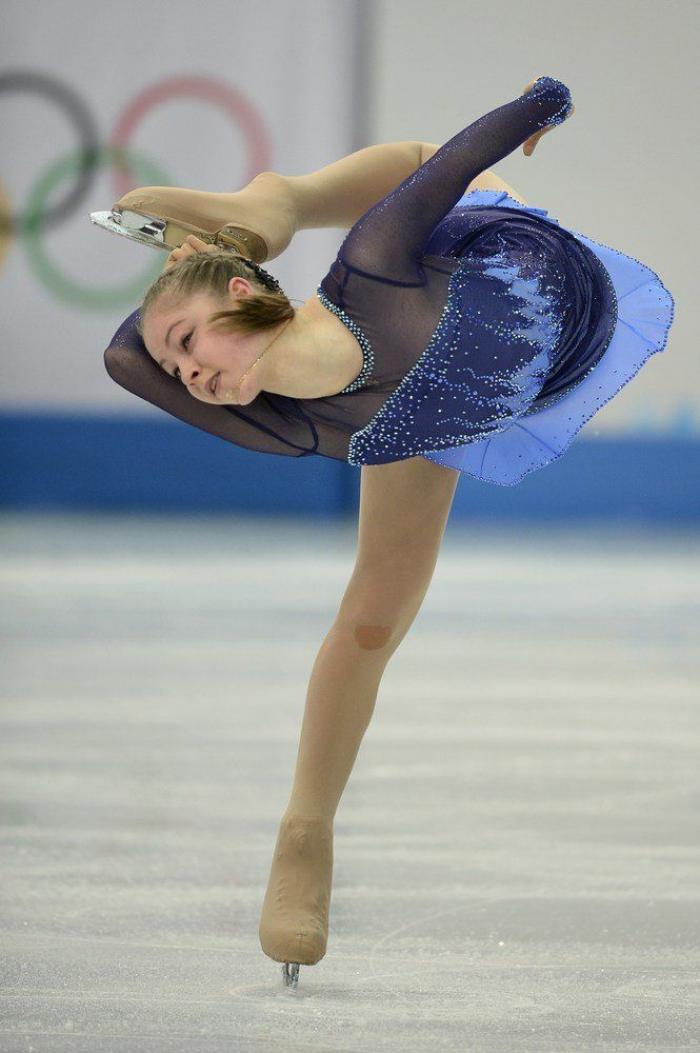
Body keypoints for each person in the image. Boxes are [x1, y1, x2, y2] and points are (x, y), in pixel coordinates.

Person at [100, 75, 675, 987]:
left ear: (245, 290)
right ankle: (305, 833)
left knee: (418, 182)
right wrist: (184, 279)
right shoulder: (287, 416)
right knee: (370, 621)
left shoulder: (371, 267)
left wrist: (545, 105)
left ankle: (274, 201)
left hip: (507, 272)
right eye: (180, 360)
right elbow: (125, 358)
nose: (185, 373)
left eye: (190, 342)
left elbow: (449, 158)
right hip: (420, 412)